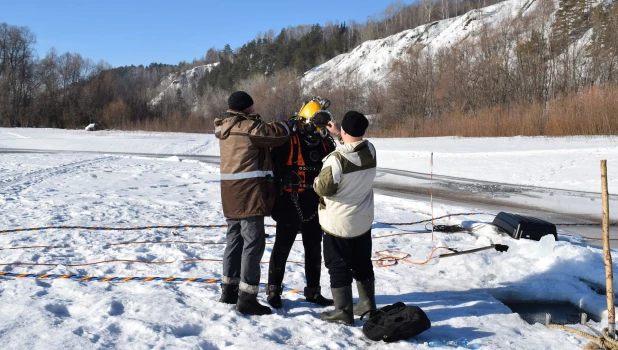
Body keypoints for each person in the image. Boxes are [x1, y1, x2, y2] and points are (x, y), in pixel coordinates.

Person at [214, 91, 290, 316]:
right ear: (245, 107)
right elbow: (275, 135)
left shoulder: (225, 126)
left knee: (234, 240)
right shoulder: (248, 127)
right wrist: (287, 124)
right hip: (248, 192)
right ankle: (247, 297)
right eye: (252, 105)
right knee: (253, 244)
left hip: (230, 192)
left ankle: (229, 289)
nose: (254, 108)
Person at [266, 97, 337, 309]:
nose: (319, 132)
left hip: (314, 201)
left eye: (322, 128)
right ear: (305, 123)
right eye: (316, 127)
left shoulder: (325, 142)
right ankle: (273, 290)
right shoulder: (288, 140)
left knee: (314, 248)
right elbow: (272, 167)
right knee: (282, 247)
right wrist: (279, 184)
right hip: (290, 200)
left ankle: (314, 292)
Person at [313, 111, 377, 325]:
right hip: (362, 221)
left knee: (338, 265)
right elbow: (353, 147)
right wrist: (340, 133)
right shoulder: (370, 150)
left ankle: (343, 311)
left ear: (346, 131)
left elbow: (323, 189)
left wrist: (315, 181)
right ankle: (367, 305)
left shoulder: (336, 160)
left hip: (339, 224)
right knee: (362, 262)